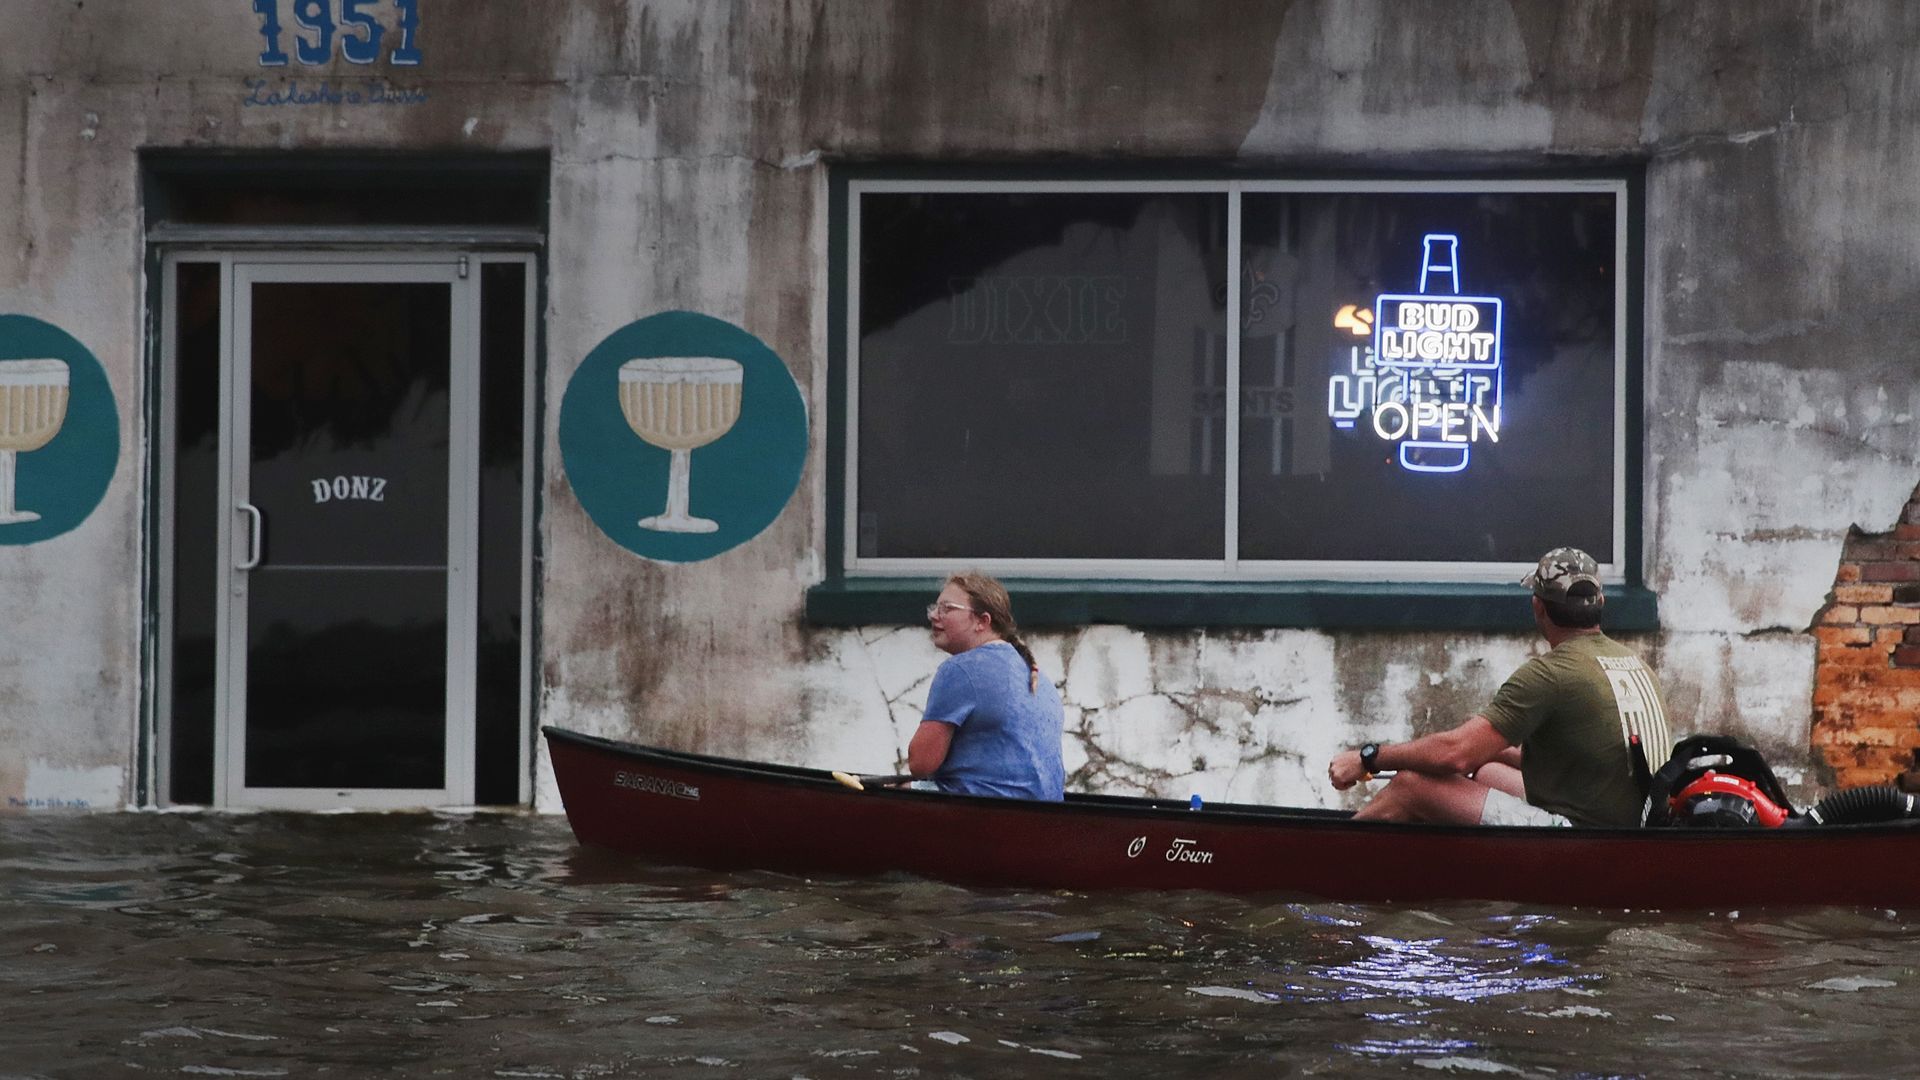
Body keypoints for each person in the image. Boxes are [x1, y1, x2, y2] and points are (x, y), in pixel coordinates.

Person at [1326, 547, 1671, 827]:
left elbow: (1454, 755)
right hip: (1632, 820)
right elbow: (1587, 759)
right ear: (1601, 603)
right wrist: (1485, 747)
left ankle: (1325, 863)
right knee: (1489, 770)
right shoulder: (1633, 661)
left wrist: (1369, 758)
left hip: (1587, 838)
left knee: (1410, 786)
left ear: (1538, 607)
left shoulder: (1549, 673)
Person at [908, 571, 1065, 800]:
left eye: (947, 608)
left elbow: (920, 763)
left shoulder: (960, 669)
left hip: (983, 815)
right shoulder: (1040, 679)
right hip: (1046, 817)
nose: (933, 615)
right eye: (934, 607)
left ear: (982, 621)